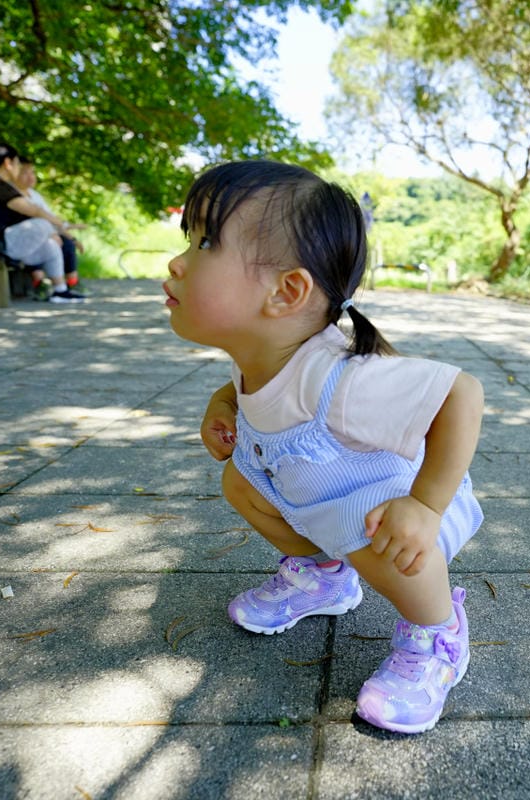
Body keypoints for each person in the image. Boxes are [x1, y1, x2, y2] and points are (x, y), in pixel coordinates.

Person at [162, 160, 485, 734]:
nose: (178, 262)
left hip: (400, 516)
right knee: (238, 480)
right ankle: (326, 574)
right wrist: (224, 406)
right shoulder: (261, 355)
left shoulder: (340, 379)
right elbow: (244, 387)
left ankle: (437, 633)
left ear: (287, 292)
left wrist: (426, 506)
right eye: (189, 239)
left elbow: (461, 393)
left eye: (206, 242)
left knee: (377, 531)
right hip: (318, 496)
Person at [0, 142, 86, 304]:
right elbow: (33, 210)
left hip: (3, 243)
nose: (18, 168)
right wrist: (59, 226)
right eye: (17, 164)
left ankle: (60, 290)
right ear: (8, 163)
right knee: (41, 224)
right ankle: (52, 285)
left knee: (51, 244)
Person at [12, 155, 88, 297]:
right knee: (43, 242)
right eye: (25, 173)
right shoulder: (11, 194)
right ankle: (40, 283)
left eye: (32, 172)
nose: (30, 177)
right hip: (22, 239)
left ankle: (71, 282)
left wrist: (72, 236)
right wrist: (52, 233)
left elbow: (52, 219)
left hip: (43, 233)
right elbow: (36, 220)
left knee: (67, 244)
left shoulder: (34, 195)